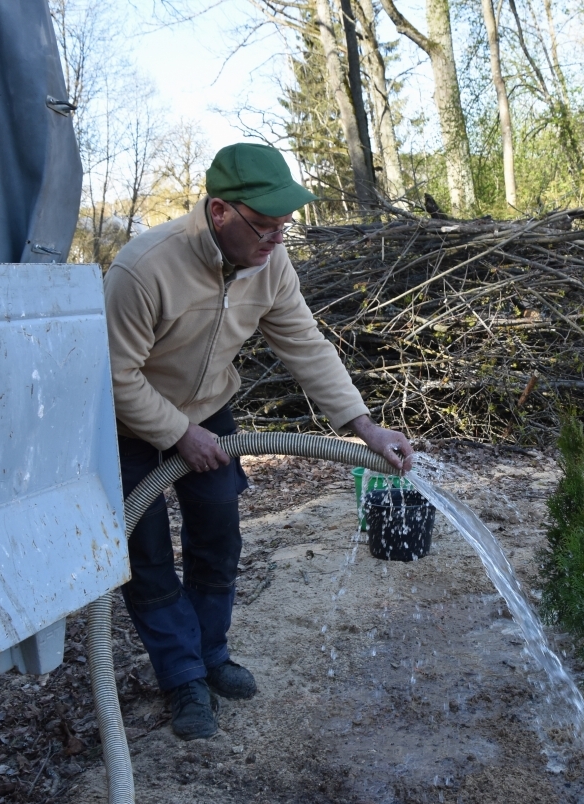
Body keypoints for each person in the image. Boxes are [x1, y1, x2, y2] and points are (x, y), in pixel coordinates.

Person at [105, 143, 414, 740]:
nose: (277, 239)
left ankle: (211, 655)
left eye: (284, 226)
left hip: (211, 411)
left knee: (218, 536)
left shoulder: (270, 263)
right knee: (144, 559)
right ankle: (182, 677)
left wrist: (365, 427)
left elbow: (307, 346)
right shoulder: (144, 269)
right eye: (266, 226)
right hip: (127, 429)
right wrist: (175, 433)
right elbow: (114, 374)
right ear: (220, 212)